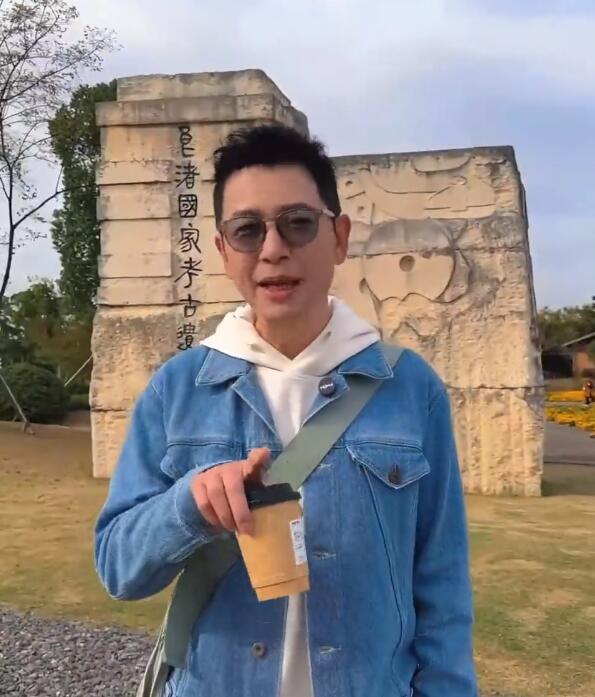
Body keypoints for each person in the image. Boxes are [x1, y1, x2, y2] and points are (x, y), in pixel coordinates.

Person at [94, 125, 478, 697]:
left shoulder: (408, 387)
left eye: (298, 223)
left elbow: (441, 582)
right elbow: (118, 567)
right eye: (247, 230)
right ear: (223, 251)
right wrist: (190, 505)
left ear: (339, 237)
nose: (273, 248)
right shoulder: (177, 388)